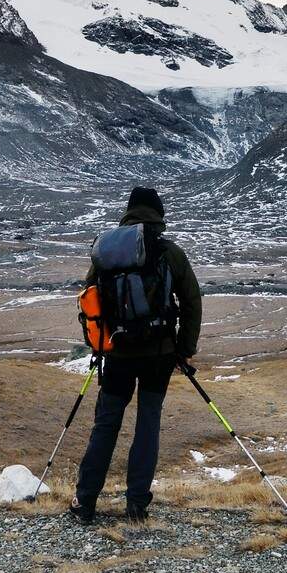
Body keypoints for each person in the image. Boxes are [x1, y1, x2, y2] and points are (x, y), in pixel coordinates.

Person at [69, 186, 202, 524]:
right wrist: (183, 350)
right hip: (159, 354)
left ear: (129, 212)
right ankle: (136, 505)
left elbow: (90, 300)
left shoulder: (108, 252)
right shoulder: (169, 252)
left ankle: (84, 502)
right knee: (148, 424)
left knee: (106, 423)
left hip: (118, 354)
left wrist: (98, 346)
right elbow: (191, 302)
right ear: (158, 215)